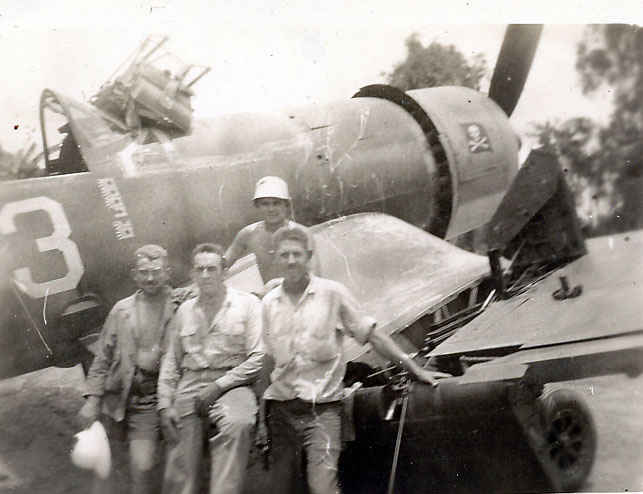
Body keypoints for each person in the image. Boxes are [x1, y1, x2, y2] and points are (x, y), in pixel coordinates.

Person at [259, 225, 448, 494]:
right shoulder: (269, 303)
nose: (290, 260)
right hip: (280, 413)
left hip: (321, 412)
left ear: (308, 256)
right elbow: (267, 360)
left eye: (297, 254)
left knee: (322, 488)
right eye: (284, 255)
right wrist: (260, 420)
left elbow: (374, 336)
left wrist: (415, 369)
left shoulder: (332, 294)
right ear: (275, 258)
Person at [158, 243, 264, 494]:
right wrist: (164, 403)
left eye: (212, 269)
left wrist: (218, 386)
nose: (205, 275)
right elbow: (171, 361)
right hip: (190, 385)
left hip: (232, 383)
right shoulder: (184, 310)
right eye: (200, 269)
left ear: (225, 271)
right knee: (181, 460)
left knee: (237, 424)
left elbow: (258, 357)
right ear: (193, 274)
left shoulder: (247, 304)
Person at [80, 244, 183, 494]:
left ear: (168, 273)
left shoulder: (183, 303)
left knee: (182, 468)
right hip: (142, 401)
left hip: (179, 397)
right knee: (142, 465)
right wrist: (92, 399)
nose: (150, 278)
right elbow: (102, 357)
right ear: (134, 275)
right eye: (144, 272)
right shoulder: (122, 310)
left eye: (156, 271)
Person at [225, 175, 320, 285]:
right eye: (265, 204)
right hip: (271, 299)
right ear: (257, 206)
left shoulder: (302, 233)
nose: (271, 209)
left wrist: (276, 285)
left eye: (276, 203)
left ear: (286, 205)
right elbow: (223, 263)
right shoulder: (248, 234)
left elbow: (315, 277)